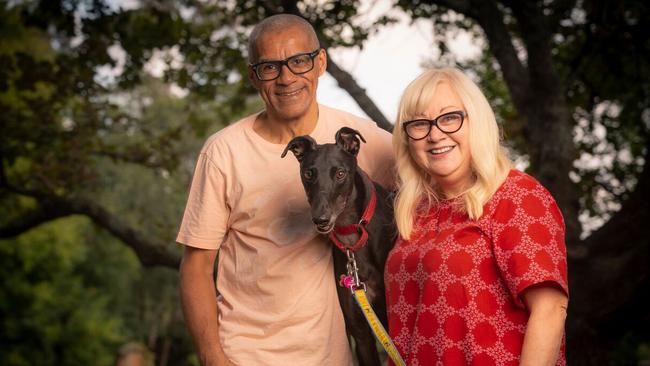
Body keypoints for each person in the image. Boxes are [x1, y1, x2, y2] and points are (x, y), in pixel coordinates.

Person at [176, 14, 394, 366]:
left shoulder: (357, 138)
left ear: (320, 62)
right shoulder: (224, 152)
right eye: (269, 67)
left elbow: (436, 183)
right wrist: (214, 358)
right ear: (253, 75)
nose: (286, 77)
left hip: (333, 358)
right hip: (247, 355)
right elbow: (196, 268)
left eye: (299, 61)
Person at [385, 68, 569, 366]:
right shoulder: (417, 212)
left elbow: (550, 309)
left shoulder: (517, 195)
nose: (434, 134)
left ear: (477, 120)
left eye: (449, 118)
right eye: (419, 124)